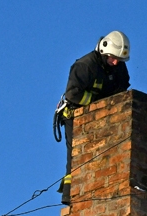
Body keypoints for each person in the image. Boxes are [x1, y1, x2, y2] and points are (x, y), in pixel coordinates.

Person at [55, 31, 131, 204]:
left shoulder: (118, 67)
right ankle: (70, 194)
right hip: (75, 116)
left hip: (102, 116)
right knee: (75, 155)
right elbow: (73, 94)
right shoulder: (85, 66)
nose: (116, 62)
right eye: (112, 58)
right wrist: (97, 103)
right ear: (103, 51)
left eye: (119, 59)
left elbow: (122, 88)